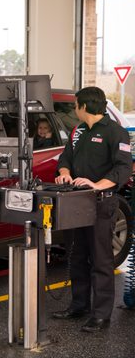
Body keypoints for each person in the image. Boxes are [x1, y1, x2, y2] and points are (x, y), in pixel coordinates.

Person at [52, 86, 131, 333]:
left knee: (100, 259)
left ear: (84, 106)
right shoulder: (78, 131)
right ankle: (79, 306)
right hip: (75, 202)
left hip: (101, 202)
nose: (75, 109)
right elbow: (65, 158)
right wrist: (64, 174)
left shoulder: (116, 132)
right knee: (76, 256)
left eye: (76, 105)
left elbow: (122, 169)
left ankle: (101, 314)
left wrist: (96, 185)